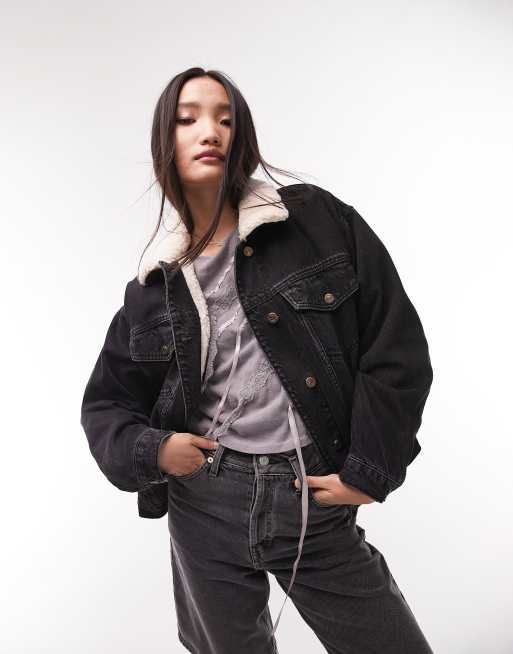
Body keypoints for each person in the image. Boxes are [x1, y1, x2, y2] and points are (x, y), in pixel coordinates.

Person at [81, 67, 435, 653]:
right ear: (165, 142)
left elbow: (394, 345)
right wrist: (155, 450)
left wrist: (371, 468)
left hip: (308, 492)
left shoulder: (317, 221)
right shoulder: (153, 289)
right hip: (204, 501)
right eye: (188, 119)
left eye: (225, 119)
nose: (209, 131)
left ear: (241, 136)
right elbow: (106, 404)